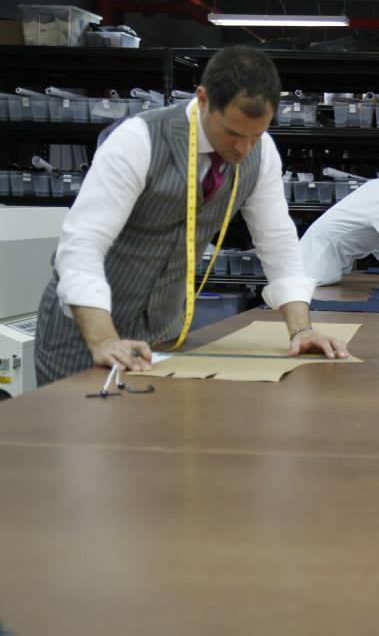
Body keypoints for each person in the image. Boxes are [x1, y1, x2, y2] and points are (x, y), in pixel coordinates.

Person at [34, 46, 348, 386]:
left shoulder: (262, 154)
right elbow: (83, 244)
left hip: (163, 338)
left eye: (255, 136)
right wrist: (104, 338)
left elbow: (277, 240)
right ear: (202, 99)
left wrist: (301, 329)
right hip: (84, 336)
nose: (243, 149)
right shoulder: (139, 140)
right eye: (232, 133)